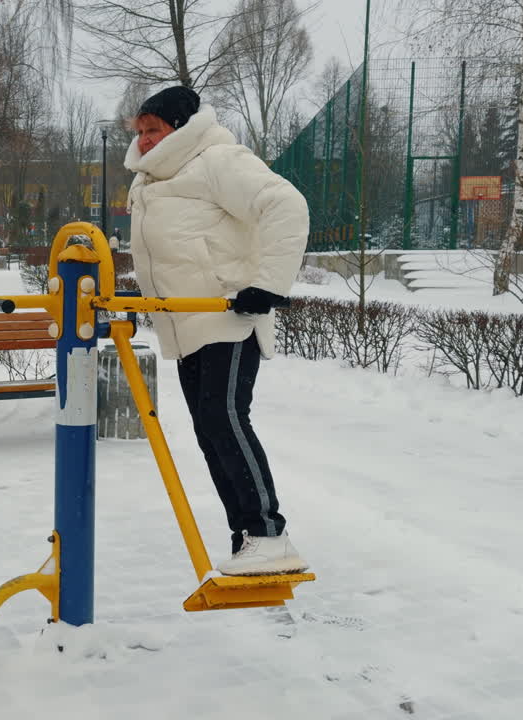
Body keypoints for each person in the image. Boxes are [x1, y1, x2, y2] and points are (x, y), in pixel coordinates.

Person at [124, 85, 309, 576]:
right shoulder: (148, 180)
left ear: (180, 128)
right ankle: (248, 539)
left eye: (154, 130)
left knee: (225, 419)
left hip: (226, 313)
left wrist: (266, 285)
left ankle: (269, 534)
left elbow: (285, 205)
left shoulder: (219, 160)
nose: (144, 140)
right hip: (184, 321)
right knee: (210, 429)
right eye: (140, 131)